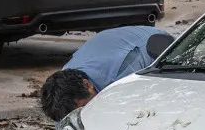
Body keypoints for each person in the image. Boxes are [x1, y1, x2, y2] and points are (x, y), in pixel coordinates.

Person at [40, 26, 174, 121]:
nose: (82, 114)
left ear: (87, 84)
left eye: (84, 107)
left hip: (156, 42)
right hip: (111, 44)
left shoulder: (121, 77)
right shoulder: (64, 79)